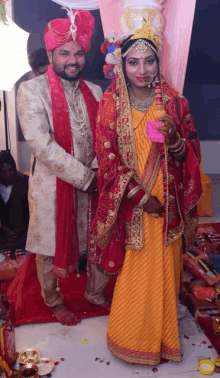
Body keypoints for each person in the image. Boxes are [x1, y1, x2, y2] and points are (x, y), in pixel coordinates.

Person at [90, 21, 202, 365]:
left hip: (168, 205)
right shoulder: (111, 103)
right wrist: (140, 197)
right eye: (133, 62)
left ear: (158, 63)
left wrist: (176, 142)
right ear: (121, 65)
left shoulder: (175, 103)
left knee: (165, 272)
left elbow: (192, 156)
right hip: (133, 205)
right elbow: (106, 157)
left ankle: (164, 340)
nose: (142, 69)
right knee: (135, 275)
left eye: (149, 61)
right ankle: (130, 338)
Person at [17, 9, 110, 327]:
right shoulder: (31, 91)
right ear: (52, 54)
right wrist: (85, 177)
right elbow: (40, 145)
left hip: (93, 180)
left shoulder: (95, 92)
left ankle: (95, 293)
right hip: (52, 183)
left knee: (96, 238)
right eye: (64, 52)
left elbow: (103, 139)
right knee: (49, 243)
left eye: (79, 52)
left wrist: (98, 170)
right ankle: (53, 300)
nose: (73, 59)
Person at [0, 151, 29, 251]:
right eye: (3, 172)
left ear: (14, 167)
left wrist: (20, 228)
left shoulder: (25, 182)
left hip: (24, 238)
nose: (7, 174)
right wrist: (2, 228)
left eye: (10, 170)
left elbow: (31, 211)